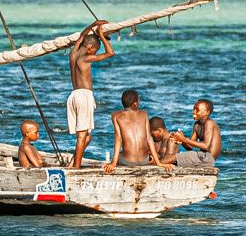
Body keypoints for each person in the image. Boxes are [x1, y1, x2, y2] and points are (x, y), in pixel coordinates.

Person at [66, 21, 113, 168]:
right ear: (90, 48)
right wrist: (101, 36)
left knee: (87, 137)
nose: (96, 54)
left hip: (73, 96)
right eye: (95, 51)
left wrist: (94, 24)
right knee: (82, 136)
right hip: (83, 96)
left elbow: (82, 35)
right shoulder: (86, 57)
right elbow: (110, 53)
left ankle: (73, 163)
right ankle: (76, 168)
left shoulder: (73, 53)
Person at [103, 88, 173, 173]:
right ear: (135, 104)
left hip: (126, 161)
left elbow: (118, 139)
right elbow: (149, 139)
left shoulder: (116, 116)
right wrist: (158, 162)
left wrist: (113, 163)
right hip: (144, 161)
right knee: (150, 157)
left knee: (120, 155)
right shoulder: (144, 114)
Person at [167, 98, 222, 167]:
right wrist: (181, 140)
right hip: (201, 156)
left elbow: (206, 146)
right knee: (171, 160)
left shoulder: (209, 123)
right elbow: (190, 147)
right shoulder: (196, 125)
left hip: (206, 158)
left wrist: (183, 139)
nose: (194, 112)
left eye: (197, 110)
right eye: (193, 109)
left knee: (171, 158)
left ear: (207, 112)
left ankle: (154, 165)